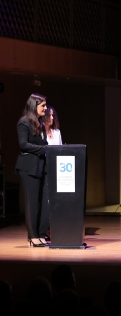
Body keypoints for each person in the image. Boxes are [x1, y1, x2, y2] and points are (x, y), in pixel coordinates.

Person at [16, 93, 51, 247]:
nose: (45, 108)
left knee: (45, 202)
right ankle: (33, 235)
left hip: (42, 166)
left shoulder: (40, 123)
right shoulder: (23, 123)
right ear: (34, 105)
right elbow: (23, 144)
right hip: (29, 167)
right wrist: (44, 149)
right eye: (42, 105)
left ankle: (41, 233)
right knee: (32, 202)